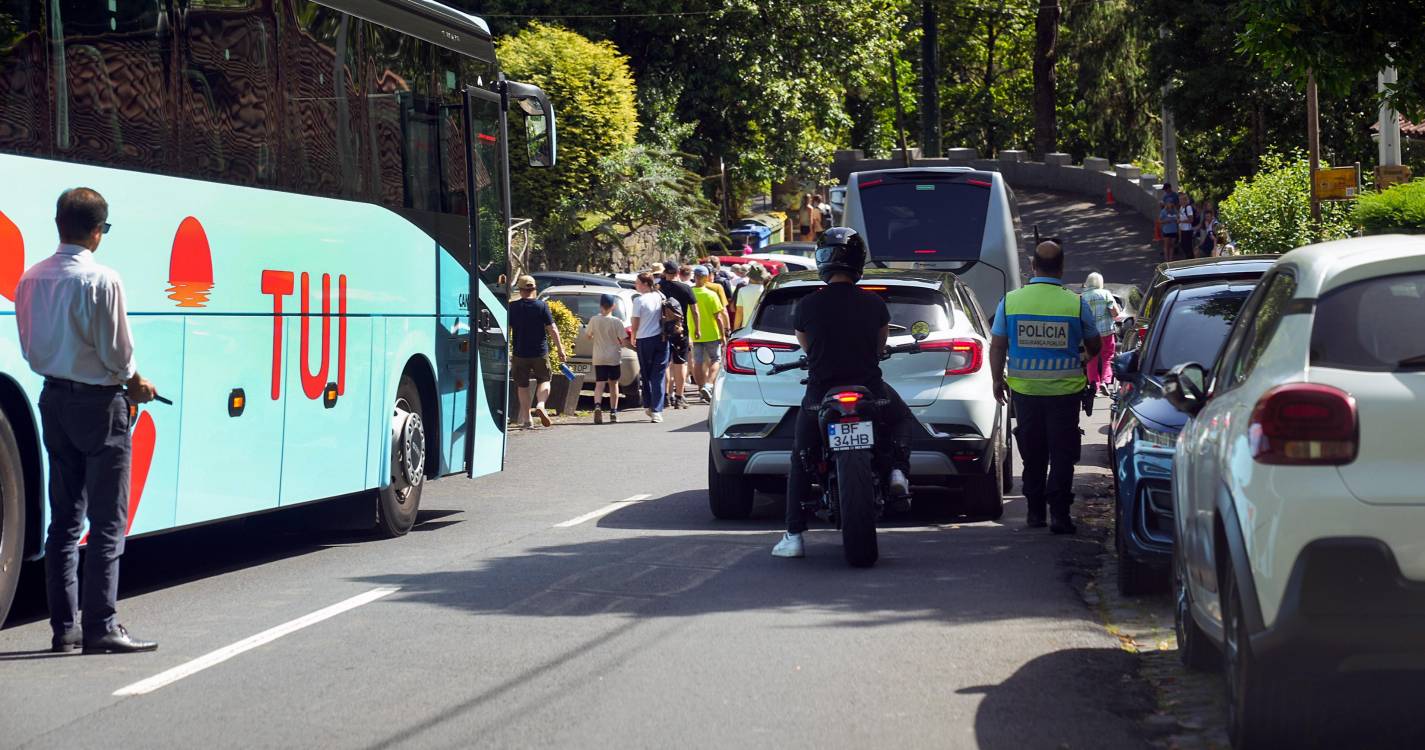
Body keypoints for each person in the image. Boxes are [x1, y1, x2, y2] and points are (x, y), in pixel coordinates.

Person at [14, 187, 159, 653]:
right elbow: (117, 354)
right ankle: (102, 625)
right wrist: (136, 384)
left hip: (53, 400)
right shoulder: (103, 280)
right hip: (100, 406)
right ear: (97, 231)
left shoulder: (30, 279)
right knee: (107, 520)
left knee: (64, 521)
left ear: (59, 225)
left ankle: (64, 629)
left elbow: (30, 347)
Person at [772, 228, 915, 559]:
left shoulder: (807, 305)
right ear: (858, 261)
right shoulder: (874, 303)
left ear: (822, 260)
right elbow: (879, 347)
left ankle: (794, 535)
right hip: (870, 390)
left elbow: (806, 347)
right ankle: (897, 470)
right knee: (901, 419)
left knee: (800, 456)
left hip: (820, 394)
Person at [988, 241, 1102, 535]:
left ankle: (1035, 511)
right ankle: (1060, 516)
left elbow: (998, 345)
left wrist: (997, 380)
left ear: (1033, 267)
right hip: (1065, 394)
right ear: (1062, 267)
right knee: (1062, 454)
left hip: (1026, 393)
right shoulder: (1075, 303)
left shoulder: (1010, 302)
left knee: (1033, 452)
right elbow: (1095, 343)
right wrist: (1084, 358)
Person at [508, 275, 567, 429]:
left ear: (520, 290)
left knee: (522, 386)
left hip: (520, 353)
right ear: (534, 289)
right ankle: (540, 404)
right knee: (544, 379)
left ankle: (527, 420)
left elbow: (507, 329)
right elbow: (552, 328)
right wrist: (560, 349)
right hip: (540, 353)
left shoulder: (512, 307)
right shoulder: (542, 306)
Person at [629, 272, 670, 422]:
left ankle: (649, 405)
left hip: (644, 339)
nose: (636, 285)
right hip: (662, 338)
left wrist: (633, 335)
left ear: (645, 284)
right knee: (658, 375)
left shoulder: (639, 300)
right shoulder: (660, 296)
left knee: (646, 375)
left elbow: (635, 321)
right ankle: (657, 410)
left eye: (637, 283)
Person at [658, 260, 698, 410]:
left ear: (665, 273)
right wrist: (697, 329)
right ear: (677, 273)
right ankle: (679, 397)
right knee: (680, 363)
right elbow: (695, 311)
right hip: (680, 329)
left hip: (663, 330)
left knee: (665, 364)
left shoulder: (659, 288)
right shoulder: (685, 288)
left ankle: (666, 396)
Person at [585, 293, 628, 424]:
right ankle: (613, 412)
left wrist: (595, 337)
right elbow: (624, 340)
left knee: (599, 384)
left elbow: (588, 336)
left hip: (599, 357)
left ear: (600, 306)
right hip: (613, 357)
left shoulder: (594, 320)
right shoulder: (617, 321)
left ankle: (597, 406)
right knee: (613, 384)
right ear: (613, 306)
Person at [690, 265, 729, 403]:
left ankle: (701, 389)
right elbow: (718, 317)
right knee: (715, 359)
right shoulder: (711, 294)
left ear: (694, 277)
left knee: (698, 362)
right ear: (706, 277)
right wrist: (723, 335)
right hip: (712, 333)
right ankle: (708, 385)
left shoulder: (689, 293)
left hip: (694, 333)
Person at [1079, 273, 1120, 396]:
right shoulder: (1106, 294)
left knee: (1091, 360)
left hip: (1090, 334)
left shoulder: (1083, 297)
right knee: (1107, 357)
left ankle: (1094, 386)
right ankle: (1105, 381)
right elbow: (1115, 312)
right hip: (1107, 331)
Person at [734, 263, 767, 329]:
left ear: (750, 277)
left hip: (746, 327)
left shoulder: (742, 290)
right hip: (763, 328)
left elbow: (739, 312)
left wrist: (735, 330)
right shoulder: (766, 291)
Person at [1159, 186, 1179, 262]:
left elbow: (1178, 219)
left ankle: (1170, 260)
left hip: (1174, 230)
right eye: (1168, 203)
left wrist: (1177, 220)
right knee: (1166, 245)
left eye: (1171, 203)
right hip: (1166, 230)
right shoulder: (1163, 211)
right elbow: (1159, 221)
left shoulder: (1175, 211)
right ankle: (1166, 260)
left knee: (1172, 246)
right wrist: (1165, 222)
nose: (1170, 204)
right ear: (1166, 204)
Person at [1177, 193, 1196, 261]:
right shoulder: (1181, 207)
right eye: (1179, 199)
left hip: (1187, 230)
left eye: (1180, 199)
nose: (1179, 201)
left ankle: (1190, 261)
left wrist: (1181, 221)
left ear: (1184, 200)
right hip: (1182, 230)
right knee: (1183, 246)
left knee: (1188, 248)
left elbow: (1191, 219)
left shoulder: (1188, 207)